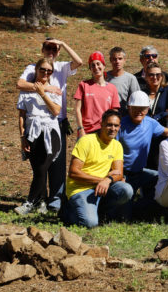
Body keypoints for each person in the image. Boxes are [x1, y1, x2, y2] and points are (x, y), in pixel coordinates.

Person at [16, 38, 82, 212]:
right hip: (35, 123)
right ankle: (41, 200)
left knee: (56, 164)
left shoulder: (60, 67)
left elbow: (79, 62)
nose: (51, 51)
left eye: (55, 48)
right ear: (42, 49)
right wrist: (46, 89)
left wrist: (63, 42)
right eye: (48, 47)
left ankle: (53, 200)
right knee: (39, 164)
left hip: (56, 120)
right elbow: (20, 84)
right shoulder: (32, 67)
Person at [64, 109, 133, 228]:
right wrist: (102, 180)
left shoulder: (117, 145)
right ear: (101, 124)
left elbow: (119, 173)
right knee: (90, 223)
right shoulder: (86, 141)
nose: (113, 128)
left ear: (119, 127)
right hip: (80, 188)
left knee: (126, 190)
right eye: (109, 125)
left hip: (102, 187)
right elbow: (73, 173)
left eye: (116, 125)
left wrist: (108, 180)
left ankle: (101, 211)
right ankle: (68, 209)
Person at [15, 58, 62, 215]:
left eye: (49, 71)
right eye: (43, 70)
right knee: (37, 170)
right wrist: (23, 137)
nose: (46, 73)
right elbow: (22, 114)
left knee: (43, 167)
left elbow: (56, 111)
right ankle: (41, 202)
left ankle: (29, 203)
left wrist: (43, 93)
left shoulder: (55, 89)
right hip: (32, 132)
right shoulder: (25, 90)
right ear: (36, 70)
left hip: (50, 132)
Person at [116, 91, 168, 219]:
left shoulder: (150, 123)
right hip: (123, 173)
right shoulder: (120, 125)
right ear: (129, 107)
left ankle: (143, 206)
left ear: (147, 109)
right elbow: (112, 151)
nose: (139, 112)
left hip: (140, 172)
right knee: (124, 216)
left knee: (159, 178)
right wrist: (118, 174)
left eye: (143, 109)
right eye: (135, 108)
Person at [74, 51, 120, 137]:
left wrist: (112, 130)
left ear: (103, 65)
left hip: (105, 132)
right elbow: (77, 109)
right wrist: (81, 129)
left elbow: (114, 112)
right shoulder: (83, 85)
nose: (96, 67)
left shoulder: (112, 88)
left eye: (98, 64)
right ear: (90, 69)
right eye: (92, 65)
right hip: (86, 132)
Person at [143, 62, 168, 170]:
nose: (155, 77)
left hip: (162, 132)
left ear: (161, 76)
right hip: (145, 133)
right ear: (146, 76)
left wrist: (156, 118)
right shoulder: (142, 92)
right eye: (151, 75)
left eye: (158, 74)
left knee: (158, 165)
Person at [106, 47, 140, 116]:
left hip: (123, 117)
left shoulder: (131, 79)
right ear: (110, 60)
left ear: (124, 60)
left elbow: (136, 100)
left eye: (120, 59)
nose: (117, 61)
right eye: (114, 59)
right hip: (105, 117)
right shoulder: (104, 77)